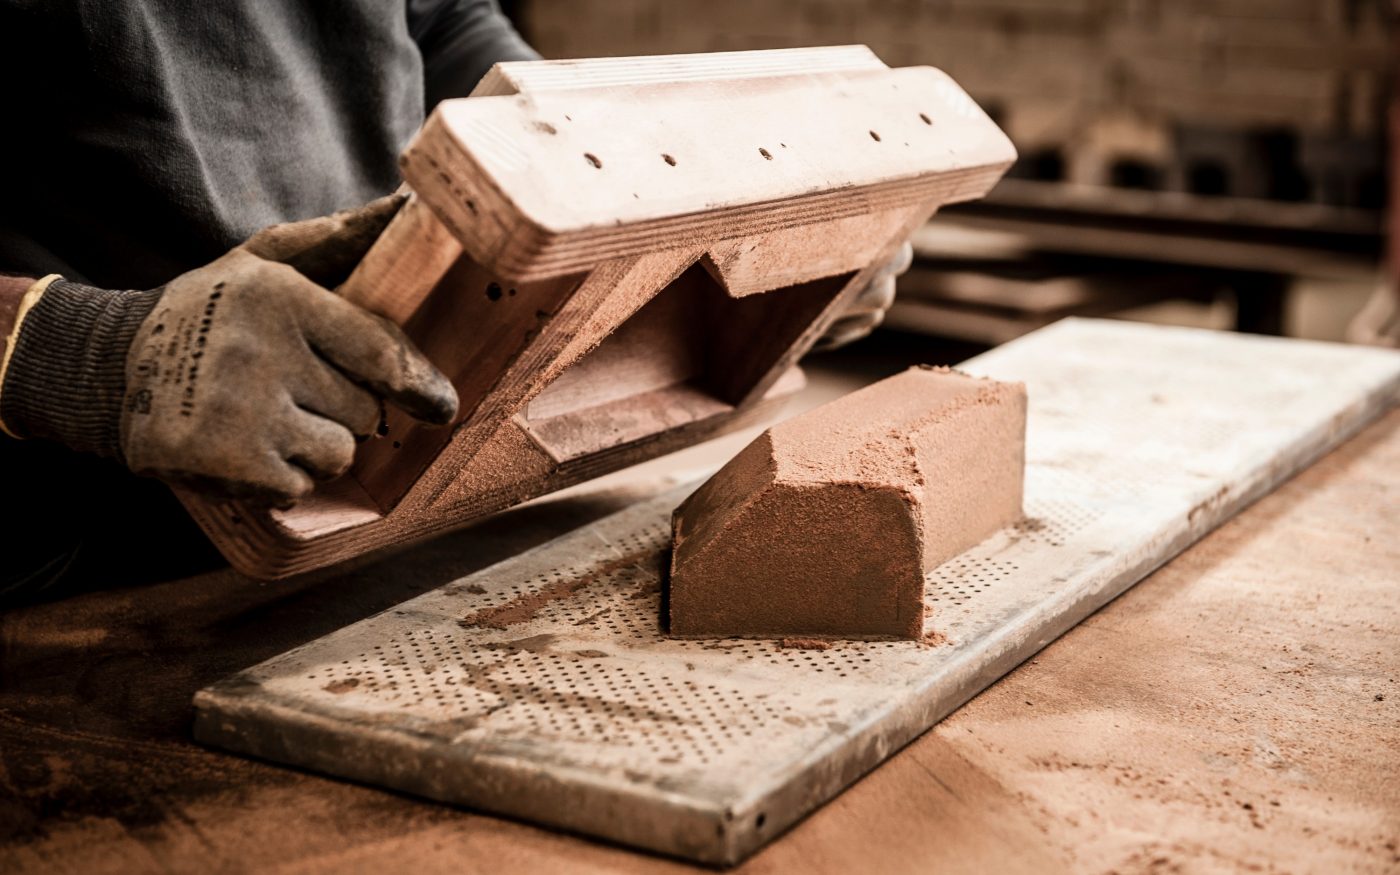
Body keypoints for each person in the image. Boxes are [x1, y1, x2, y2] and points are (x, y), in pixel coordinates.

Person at [0, 1, 906, 605]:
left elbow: (443, 20)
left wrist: (605, 176)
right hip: (69, 549)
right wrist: (77, 353)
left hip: (388, 474)